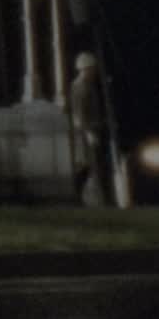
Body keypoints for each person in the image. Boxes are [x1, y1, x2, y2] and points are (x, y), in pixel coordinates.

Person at [64, 50, 110, 206]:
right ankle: (76, 197)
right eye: (92, 68)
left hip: (89, 129)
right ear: (85, 69)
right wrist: (88, 132)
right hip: (84, 131)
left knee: (89, 165)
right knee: (85, 165)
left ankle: (79, 198)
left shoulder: (87, 86)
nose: (94, 72)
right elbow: (78, 113)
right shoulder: (80, 87)